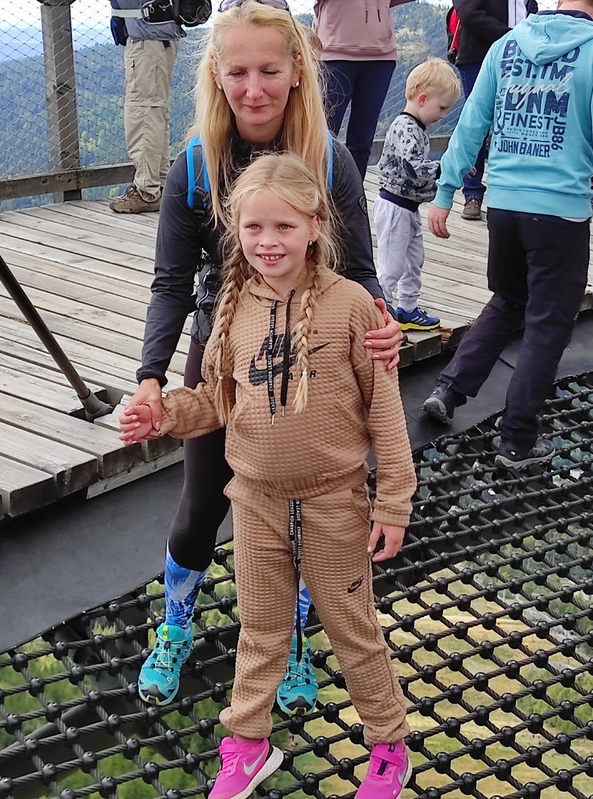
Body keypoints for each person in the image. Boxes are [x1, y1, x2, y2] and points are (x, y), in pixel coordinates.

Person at [127, 0, 404, 714]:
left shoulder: (328, 159)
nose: (254, 90)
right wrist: (152, 377)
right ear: (217, 76)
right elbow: (171, 283)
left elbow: (361, 270)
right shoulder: (197, 167)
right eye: (238, 72)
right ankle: (177, 624)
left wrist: (382, 324)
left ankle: (295, 641)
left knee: (306, 506)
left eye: (270, 71)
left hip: (315, 351)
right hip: (224, 348)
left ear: (297, 72)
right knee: (201, 501)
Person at [119, 151, 416, 799]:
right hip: (254, 498)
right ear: (236, 231)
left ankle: (389, 745)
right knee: (259, 627)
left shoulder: (351, 307)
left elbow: (386, 412)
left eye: (284, 226)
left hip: (333, 499)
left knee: (353, 629)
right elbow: (216, 403)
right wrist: (164, 413)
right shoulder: (233, 310)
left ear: (315, 226)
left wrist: (393, 502)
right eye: (253, 227)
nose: (267, 241)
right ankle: (249, 743)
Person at [421, 0, 593, 470]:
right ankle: (517, 440)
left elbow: (472, 123)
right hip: (560, 211)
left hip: (504, 205)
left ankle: (448, 390)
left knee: (508, 300)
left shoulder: (508, 44)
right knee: (548, 325)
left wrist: (446, 190)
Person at [373, 58, 461, 331]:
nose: (443, 116)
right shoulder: (406, 127)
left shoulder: (417, 128)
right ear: (422, 99)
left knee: (413, 261)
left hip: (409, 207)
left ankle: (408, 309)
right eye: (442, 108)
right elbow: (412, 168)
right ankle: (380, 313)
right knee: (391, 266)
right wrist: (444, 168)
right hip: (394, 207)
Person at [452, 0, 538, 221]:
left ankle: (516, 190)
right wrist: (512, 36)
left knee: (519, 121)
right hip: (480, 54)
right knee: (476, 124)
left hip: (524, 54)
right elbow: (469, 13)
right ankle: (472, 193)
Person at [108, 0, 184, 214]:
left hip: (146, 38)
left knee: (142, 113)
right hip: (158, 35)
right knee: (154, 112)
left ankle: (146, 191)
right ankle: (159, 184)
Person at [313, 0, 399, 180]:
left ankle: (355, 196)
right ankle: (316, 193)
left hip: (380, 56)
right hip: (334, 52)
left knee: (362, 141)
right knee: (321, 137)